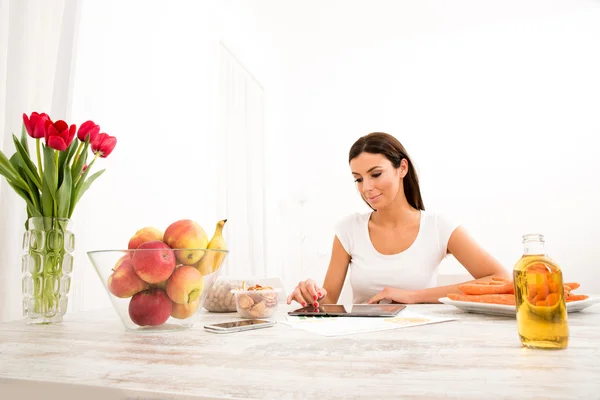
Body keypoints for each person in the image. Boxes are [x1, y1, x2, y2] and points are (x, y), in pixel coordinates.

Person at [286, 132, 509, 308]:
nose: (366, 188)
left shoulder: (437, 227)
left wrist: (414, 296)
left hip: (422, 346)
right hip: (363, 346)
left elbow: (501, 278)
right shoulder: (349, 230)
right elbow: (329, 302)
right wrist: (310, 295)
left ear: (402, 168)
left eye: (375, 174)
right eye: (358, 179)